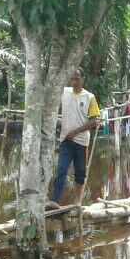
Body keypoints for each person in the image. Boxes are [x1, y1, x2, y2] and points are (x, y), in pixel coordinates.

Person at [50, 68, 100, 207]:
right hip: (66, 140)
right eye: (72, 79)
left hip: (81, 142)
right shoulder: (64, 92)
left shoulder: (89, 97)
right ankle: (54, 200)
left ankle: (78, 201)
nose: (74, 82)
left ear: (83, 79)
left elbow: (93, 121)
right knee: (61, 170)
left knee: (80, 172)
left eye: (77, 79)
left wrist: (75, 132)